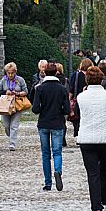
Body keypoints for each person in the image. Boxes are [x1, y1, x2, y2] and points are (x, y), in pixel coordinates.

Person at [75, 66, 106, 211]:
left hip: (87, 139)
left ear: (87, 79)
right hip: (105, 138)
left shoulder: (81, 97)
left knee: (93, 173)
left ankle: (97, 208)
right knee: (105, 171)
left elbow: (77, 115)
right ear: (102, 79)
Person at [32, 62, 70, 191]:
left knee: (45, 154)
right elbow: (67, 110)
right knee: (57, 152)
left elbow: (35, 109)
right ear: (56, 73)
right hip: (57, 123)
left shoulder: (40, 88)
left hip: (43, 123)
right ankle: (58, 171)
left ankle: (48, 182)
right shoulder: (62, 89)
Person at [0, 62, 28, 151]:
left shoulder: (20, 80)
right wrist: (5, 92)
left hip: (17, 105)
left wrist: (17, 93)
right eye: (8, 73)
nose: (10, 75)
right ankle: (11, 136)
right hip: (5, 105)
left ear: (15, 72)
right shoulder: (3, 80)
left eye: (12, 73)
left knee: (14, 125)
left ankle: (12, 144)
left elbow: (26, 91)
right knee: (6, 124)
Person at [69, 58, 93, 138]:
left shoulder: (75, 75)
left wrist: (69, 100)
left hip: (77, 99)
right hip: (88, 99)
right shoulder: (91, 75)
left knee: (77, 116)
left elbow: (71, 89)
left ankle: (78, 132)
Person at [55, 63, 69, 147]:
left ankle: (59, 139)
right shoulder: (65, 79)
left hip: (57, 102)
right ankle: (62, 139)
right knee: (63, 122)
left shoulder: (56, 80)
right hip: (63, 103)